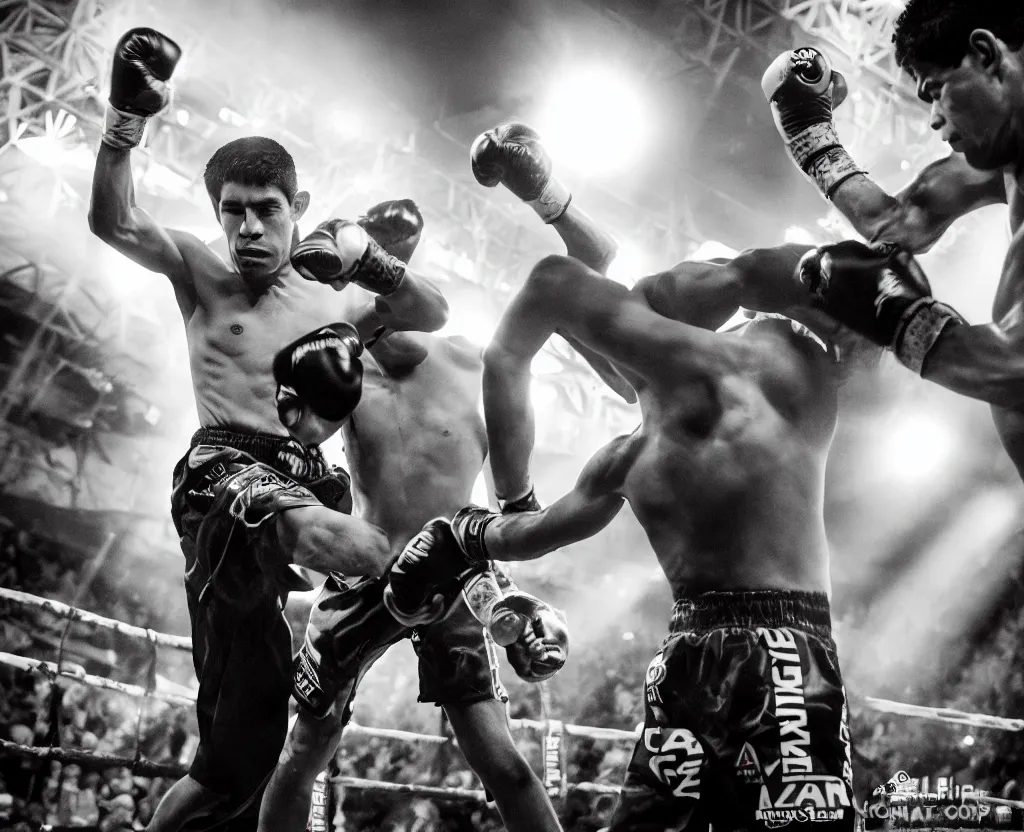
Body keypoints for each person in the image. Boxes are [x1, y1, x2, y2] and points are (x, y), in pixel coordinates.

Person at [385, 122, 860, 832]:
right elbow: (537, 532)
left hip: (783, 651)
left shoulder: (772, 363)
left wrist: (813, 140)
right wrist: (462, 535)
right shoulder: (626, 455)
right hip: (689, 650)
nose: (673, 281)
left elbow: (563, 308)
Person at [88, 28, 447, 831]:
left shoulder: (335, 298)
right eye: (233, 212)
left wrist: (369, 259)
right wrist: (124, 123)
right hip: (223, 475)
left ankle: (318, 671)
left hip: (304, 479)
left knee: (234, 768)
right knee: (367, 553)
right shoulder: (198, 269)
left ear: (300, 210)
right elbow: (114, 222)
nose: (248, 229)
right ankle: (335, 653)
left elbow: (432, 313)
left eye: (266, 210)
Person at [257, 204, 569, 832]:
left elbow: (515, 498)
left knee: (502, 764)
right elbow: (291, 458)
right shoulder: (336, 370)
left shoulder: (476, 363)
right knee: (301, 752)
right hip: (364, 567)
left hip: (456, 573)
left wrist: (509, 583)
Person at [762, 3, 1024, 477]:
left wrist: (907, 321)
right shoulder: (1006, 163)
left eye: (937, 92)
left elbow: (1016, 371)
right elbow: (900, 223)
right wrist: (811, 136)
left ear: (985, 53)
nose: (935, 121)